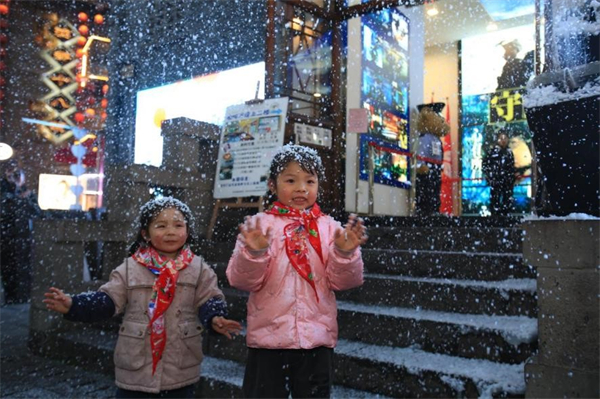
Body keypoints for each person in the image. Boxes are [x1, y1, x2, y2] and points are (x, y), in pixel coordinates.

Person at [43, 196, 242, 398]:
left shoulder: (198, 268)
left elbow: (209, 298)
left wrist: (215, 317)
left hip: (180, 368)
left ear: (188, 231)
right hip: (136, 369)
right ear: (145, 234)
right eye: (161, 226)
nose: (171, 231)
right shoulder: (131, 268)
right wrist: (74, 305)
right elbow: (108, 300)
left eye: (178, 225)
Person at [226, 144, 366, 398]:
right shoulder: (259, 226)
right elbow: (240, 279)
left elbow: (344, 281)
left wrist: (345, 254)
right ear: (272, 184)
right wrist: (254, 253)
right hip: (269, 340)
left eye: (309, 181)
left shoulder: (329, 228)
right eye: (291, 180)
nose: (301, 188)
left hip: (316, 339)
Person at [0, 159, 40, 304]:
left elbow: (37, 212)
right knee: (8, 267)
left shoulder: (27, 193)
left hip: (24, 238)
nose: (15, 177)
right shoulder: (4, 190)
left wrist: (25, 197)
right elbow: (5, 208)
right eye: (11, 173)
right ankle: (12, 296)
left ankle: (21, 295)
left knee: (23, 268)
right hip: (7, 237)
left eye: (17, 174)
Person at [414, 102, 450, 216]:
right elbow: (421, 152)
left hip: (435, 169)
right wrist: (421, 165)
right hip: (427, 169)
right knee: (425, 192)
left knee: (435, 191)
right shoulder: (425, 138)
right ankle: (424, 212)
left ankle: (434, 210)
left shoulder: (436, 139)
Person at [483, 132, 517, 215]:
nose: (503, 141)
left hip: (507, 180)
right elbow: (485, 164)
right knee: (495, 199)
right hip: (496, 180)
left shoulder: (509, 152)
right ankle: (495, 215)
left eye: (505, 138)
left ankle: (505, 214)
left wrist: (511, 177)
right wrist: (490, 175)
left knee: (507, 199)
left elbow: (511, 166)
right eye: (501, 139)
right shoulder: (492, 152)